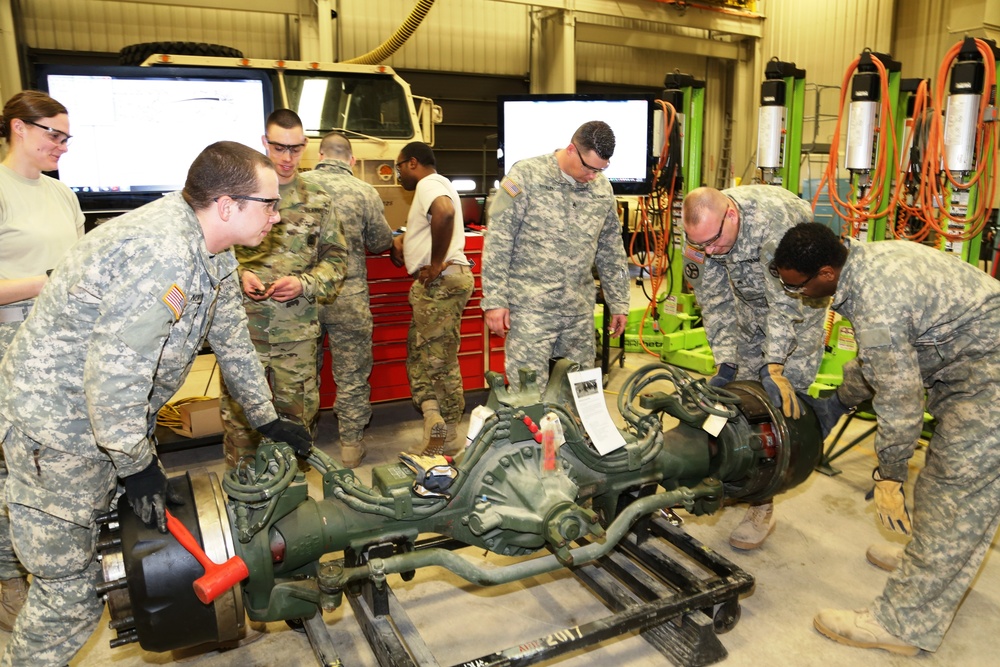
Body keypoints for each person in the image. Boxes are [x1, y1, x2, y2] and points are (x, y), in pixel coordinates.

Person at [0, 141, 313, 667]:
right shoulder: (162, 252)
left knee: (91, 549)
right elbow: (116, 375)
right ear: (228, 205)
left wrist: (265, 417)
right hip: (59, 432)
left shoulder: (210, 246)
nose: (277, 217)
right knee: (72, 594)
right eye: (270, 204)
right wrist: (136, 464)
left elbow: (231, 334)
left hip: (98, 424)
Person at [772, 222, 1000, 657]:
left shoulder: (876, 302)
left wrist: (890, 475)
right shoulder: (864, 262)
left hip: (988, 377)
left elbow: (900, 396)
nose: (796, 295)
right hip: (976, 359)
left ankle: (902, 623)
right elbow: (882, 360)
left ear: (825, 273)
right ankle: (930, 560)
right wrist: (838, 401)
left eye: (797, 288)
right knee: (948, 489)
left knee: (953, 493)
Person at [680, 185, 826, 550]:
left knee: (778, 410)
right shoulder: (701, 236)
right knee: (737, 400)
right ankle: (734, 475)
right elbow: (713, 299)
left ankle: (763, 502)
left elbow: (784, 303)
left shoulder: (776, 222)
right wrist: (726, 359)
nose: (709, 251)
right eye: (702, 245)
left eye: (714, 241)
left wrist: (774, 364)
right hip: (748, 312)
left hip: (798, 314)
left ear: (730, 214)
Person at [220, 109, 348, 468]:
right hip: (244, 338)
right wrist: (238, 275)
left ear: (305, 146)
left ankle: (292, 508)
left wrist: (305, 283)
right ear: (264, 143)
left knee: (296, 427)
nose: (287, 158)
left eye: (295, 149)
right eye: (278, 148)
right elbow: (211, 252)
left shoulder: (319, 198)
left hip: (297, 339)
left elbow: (337, 260)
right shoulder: (236, 195)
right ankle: (245, 505)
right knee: (241, 426)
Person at [0, 91, 84, 631]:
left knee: (55, 466)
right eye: (53, 134)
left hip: (60, 349)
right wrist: (45, 283)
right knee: (12, 473)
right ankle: (8, 577)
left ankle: (57, 570)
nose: (61, 146)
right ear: (18, 129)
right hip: (9, 348)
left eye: (66, 137)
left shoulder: (62, 196)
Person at [481, 120, 629, 393]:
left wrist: (619, 301)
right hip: (531, 311)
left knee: (583, 393)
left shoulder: (601, 189)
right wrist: (494, 300)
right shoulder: (525, 176)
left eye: (601, 169)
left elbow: (611, 249)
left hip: (578, 312)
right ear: (572, 150)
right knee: (527, 396)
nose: (593, 176)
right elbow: (499, 239)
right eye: (589, 167)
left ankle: (577, 436)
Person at [302, 132, 393, 467]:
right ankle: (351, 446)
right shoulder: (364, 191)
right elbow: (381, 241)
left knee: (303, 374)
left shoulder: (299, 186)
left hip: (304, 296)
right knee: (352, 373)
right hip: (348, 294)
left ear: (319, 154)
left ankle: (303, 446)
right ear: (351, 160)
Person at [390, 141, 473, 455]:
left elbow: (444, 212)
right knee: (418, 353)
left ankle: (450, 433)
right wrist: (403, 240)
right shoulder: (436, 185)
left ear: (412, 163)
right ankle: (433, 418)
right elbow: (431, 222)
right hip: (436, 286)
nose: (398, 175)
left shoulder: (429, 183)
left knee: (440, 360)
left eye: (399, 167)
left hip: (441, 281)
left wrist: (436, 263)